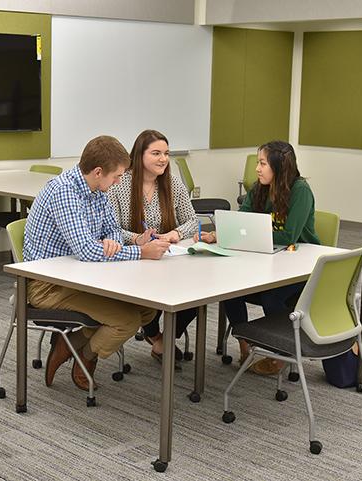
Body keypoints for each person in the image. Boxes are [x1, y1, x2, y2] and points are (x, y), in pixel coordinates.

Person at [24, 135, 171, 391]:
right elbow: (87, 251)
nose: (117, 182)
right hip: (48, 286)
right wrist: (141, 252)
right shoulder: (65, 192)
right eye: (115, 177)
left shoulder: (96, 189)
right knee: (126, 320)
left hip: (82, 276)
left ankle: (69, 343)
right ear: (98, 172)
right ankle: (85, 357)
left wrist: (113, 241)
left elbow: (112, 229)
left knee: (146, 310)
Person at [196, 140, 320, 375]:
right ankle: (246, 345)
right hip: (264, 258)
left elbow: (289, 235)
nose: (257, 169)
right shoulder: (259, 188)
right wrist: (220, 233)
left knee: (271, 298)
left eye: (262, 163)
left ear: (279, 166)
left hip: (300, 266)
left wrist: (251, 234)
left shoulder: (300, 190)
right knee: (229, 289)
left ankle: (282, 353)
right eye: (258, 163)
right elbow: (241, 220)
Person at [108, 129, 199, 370]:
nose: (163, 159)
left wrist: (175, 233)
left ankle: (163, 340)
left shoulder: (171, 182)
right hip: (132, 260)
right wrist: (139, 239)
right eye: (156, 153)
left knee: (197, 295)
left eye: (166, 153)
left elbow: (192, 220)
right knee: (152, 295)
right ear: (139, 155)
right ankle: (154, 334)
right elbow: (112, 229)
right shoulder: (120, 184)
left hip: (167, 257)